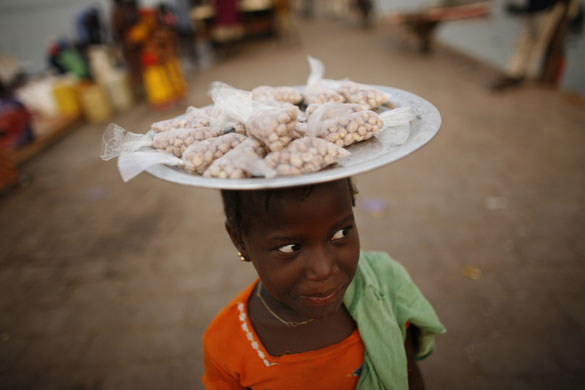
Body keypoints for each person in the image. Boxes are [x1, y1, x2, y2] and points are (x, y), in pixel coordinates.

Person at [202, 178, 446, 389]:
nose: (324, 269)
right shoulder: (226, 345)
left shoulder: (383, 287)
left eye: (340, 233)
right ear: (239, 240)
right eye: (290, 248)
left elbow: (409, 379)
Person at [491, 0, 579, 90]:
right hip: (533, 8)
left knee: (537, 43)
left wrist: (569, 11)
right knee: (523, 42)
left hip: (548, 9)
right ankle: (514, 73)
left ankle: (524, 75)